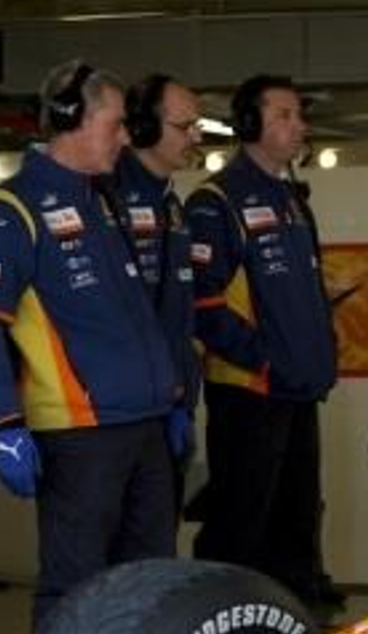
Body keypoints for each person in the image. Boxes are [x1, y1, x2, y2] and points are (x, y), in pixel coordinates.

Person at [0, 61, 182, 629]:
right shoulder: (7, 212)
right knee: (75, 595)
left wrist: (173, 396)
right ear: (71, 120)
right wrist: (6, 424)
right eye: (115, 124)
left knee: (151, 591)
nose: (127, 137)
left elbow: (133, 314)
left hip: (146, 425)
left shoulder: (103, 203)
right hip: (79, 437)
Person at [186, 74, 338, 606]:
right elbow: (201, 305)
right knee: (240, 530)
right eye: (285, 116)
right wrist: (268, 363)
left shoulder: (293, 202)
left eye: (299, 115)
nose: (300, 125)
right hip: (251, 395)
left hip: (298, 393)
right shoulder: (215, 201)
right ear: (249, 125)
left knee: (297, 531)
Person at [113, 73, 204, 495]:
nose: (195, 137)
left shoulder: (171, 205)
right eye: (184, 127)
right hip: (124, 415)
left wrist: (182, 401)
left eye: (196, 126)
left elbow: (178, 314)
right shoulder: (108, 199)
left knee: (158, 550)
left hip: (171, 403)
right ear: (145, 127)